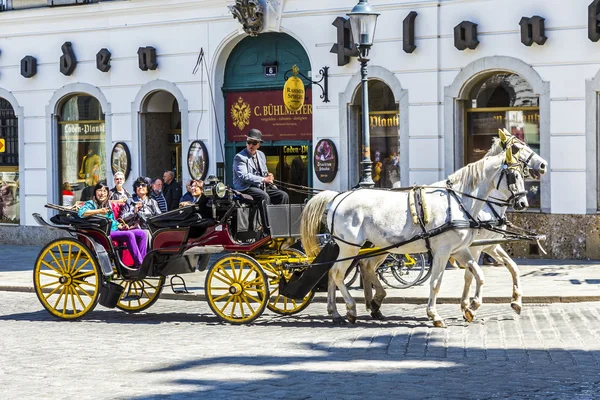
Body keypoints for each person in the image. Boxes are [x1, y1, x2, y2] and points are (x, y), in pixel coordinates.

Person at [78, 182, 147, 267]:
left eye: (104, 191)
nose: (102, 193)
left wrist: (121, 226)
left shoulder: (107, 205)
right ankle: (139, 263)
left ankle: (143, 262)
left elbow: (113, 221)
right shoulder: (91, 203)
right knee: (129, 235)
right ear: (95, 192)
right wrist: (99, 211)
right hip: (103, 233)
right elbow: (81, 213)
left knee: (142, 233)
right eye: (100, 190)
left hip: (114, 230)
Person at [232, 128, 288, 233]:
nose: (251, 145)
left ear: (259, 144)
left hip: (260, 187)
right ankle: (267, 230)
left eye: (254, 143)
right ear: (246, 142)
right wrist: (263, 179)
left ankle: (281, 226)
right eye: (249, 142)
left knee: (283, 195)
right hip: (245, 188)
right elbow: (243, 176)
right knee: (264, 196)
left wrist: (269, 175)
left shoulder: (261, 155)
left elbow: (264, 171)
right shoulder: (239, 157)